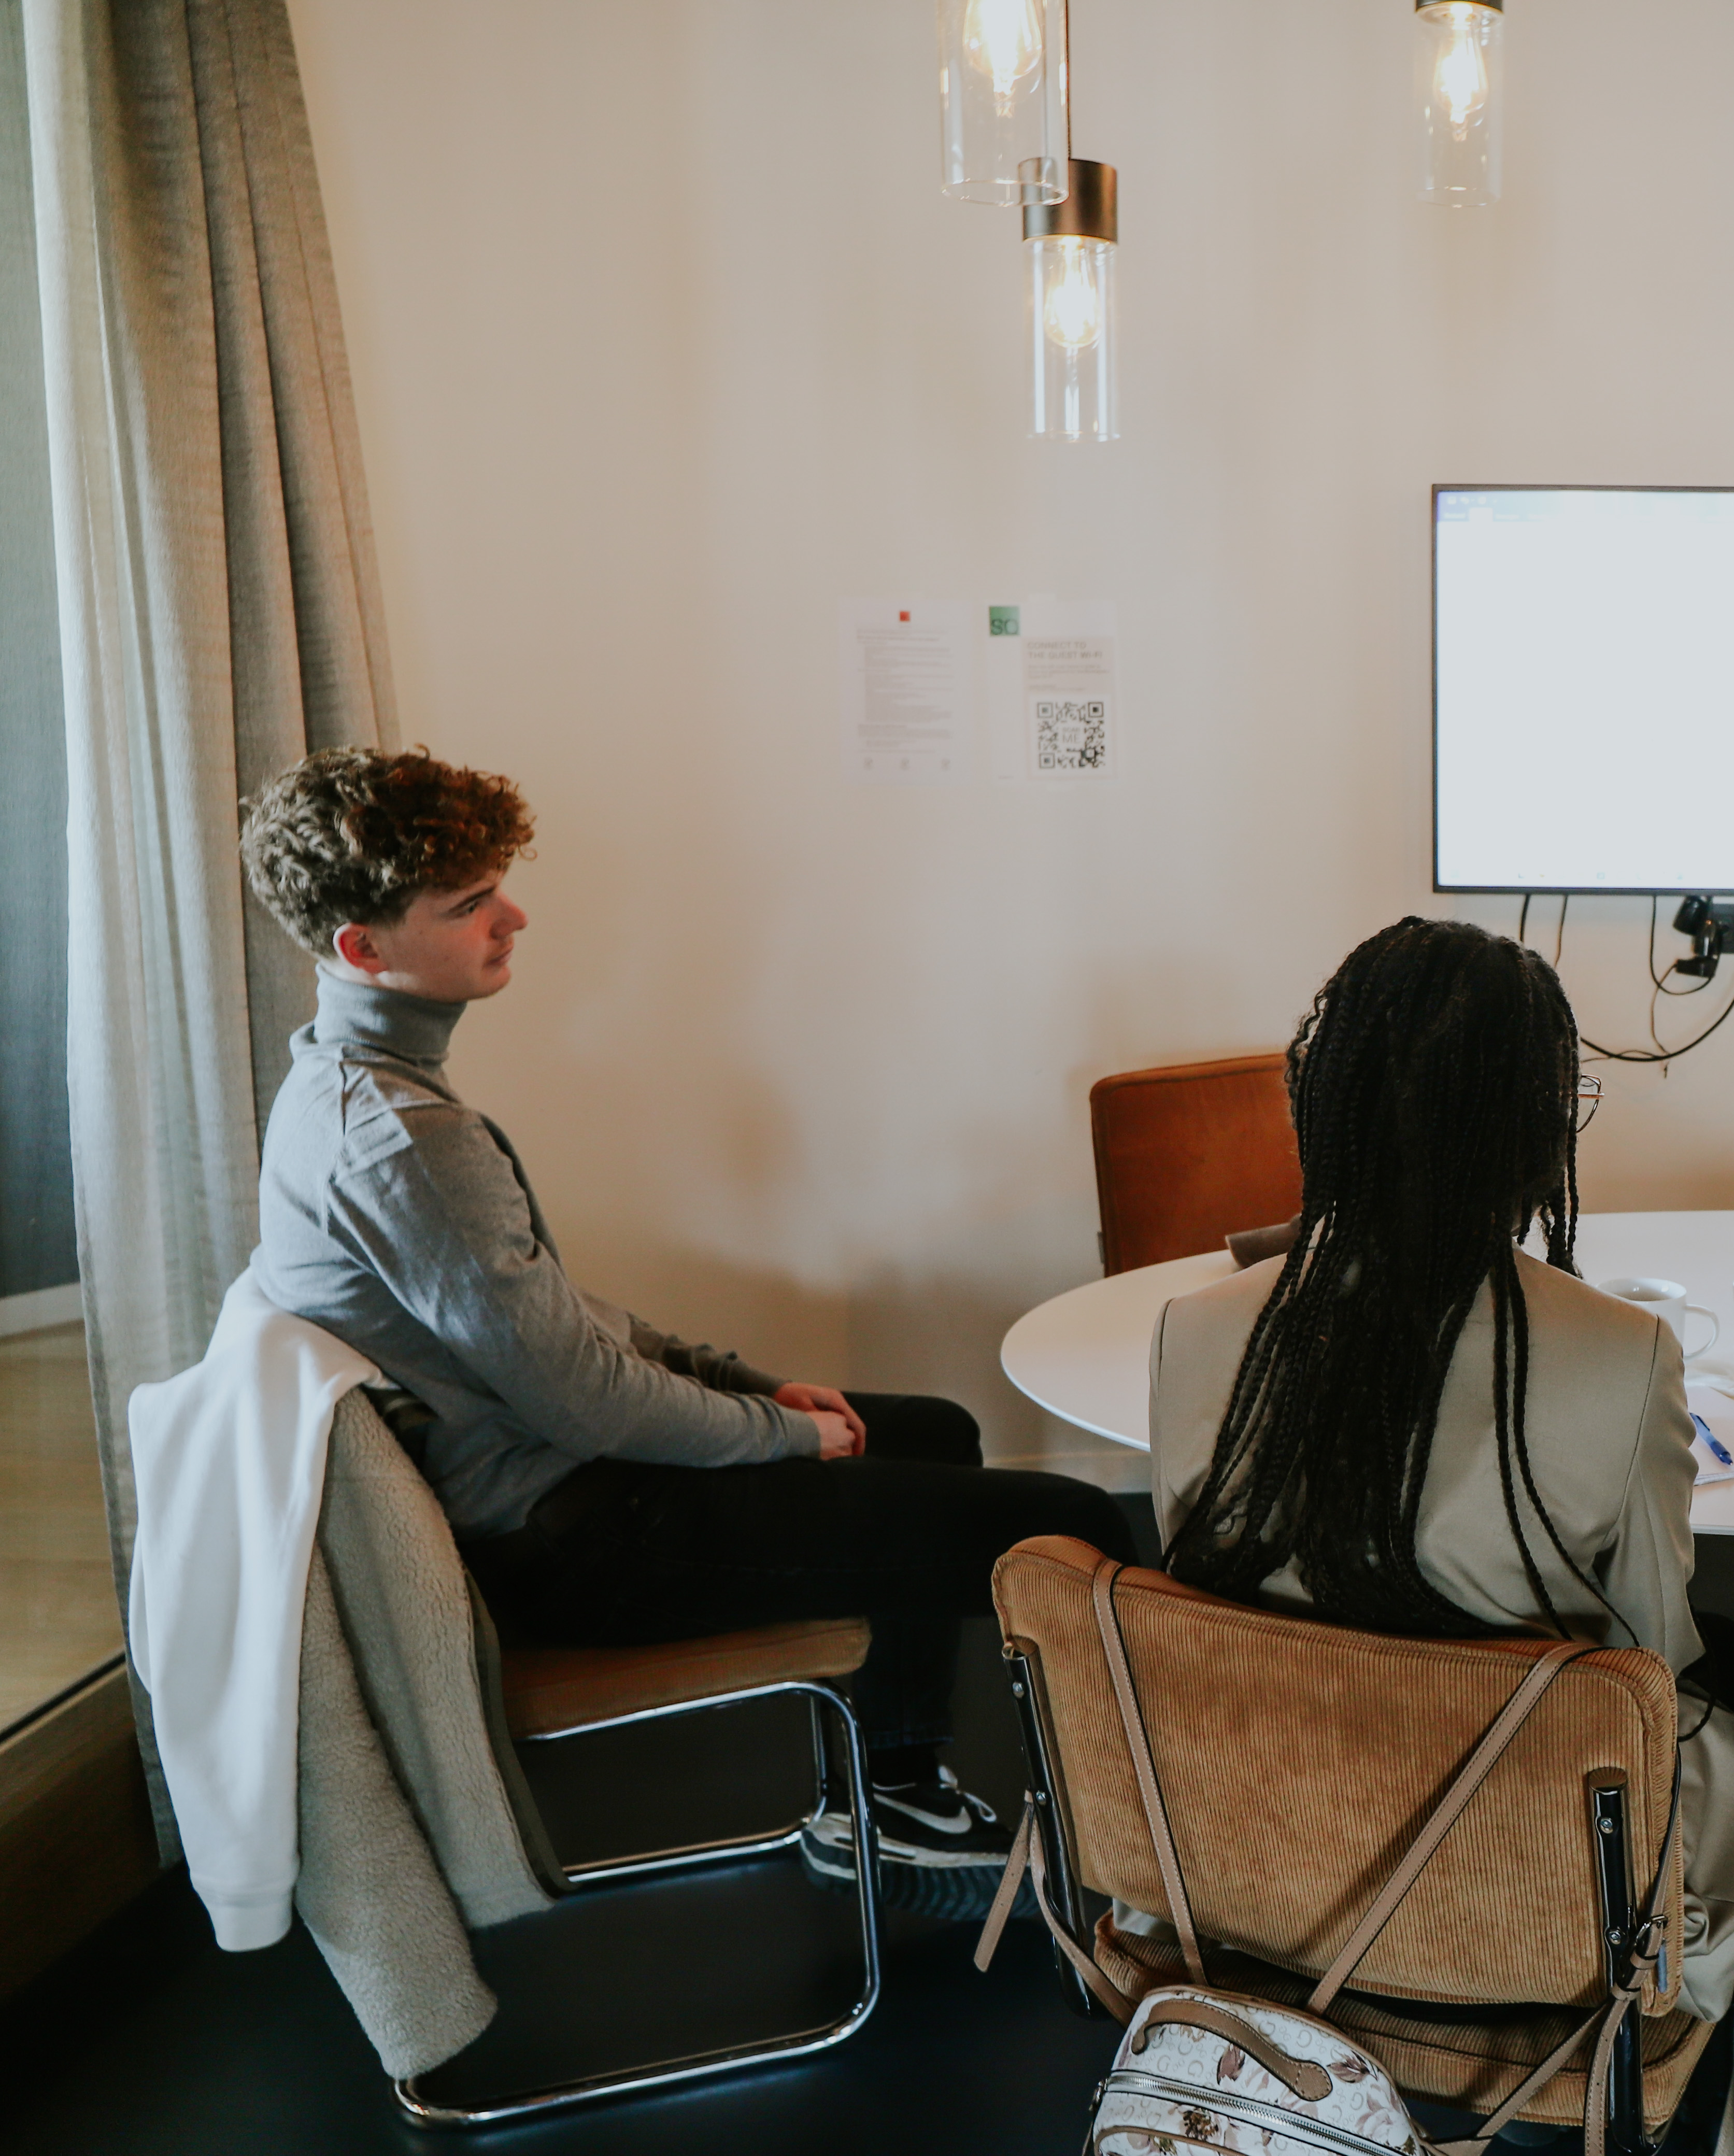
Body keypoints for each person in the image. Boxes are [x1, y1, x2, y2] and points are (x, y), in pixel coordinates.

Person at [239, 746, 1131, 1907]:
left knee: (935, 1428)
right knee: (1076, 1523)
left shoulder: (349, 1082)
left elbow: (558, 1319)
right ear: (366, 950)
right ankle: (1150, 1851)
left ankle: (894, 1797)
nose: (514, 918)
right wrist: (781, 1433)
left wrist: (745, 1383)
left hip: (569, 1484)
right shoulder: (402, 1139)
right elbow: (581, 1398)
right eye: (470, 904)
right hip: (577, 1535)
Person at [1144, 918, 1734, 2129]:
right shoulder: (1623, 1357)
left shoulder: (1200, 1333)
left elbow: (1202, 1613)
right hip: (1515, 1906)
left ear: (1327, 1108)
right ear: (1535, 1140)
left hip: (1257, 1871)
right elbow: (1654, 1652)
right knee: (1727, 1693)